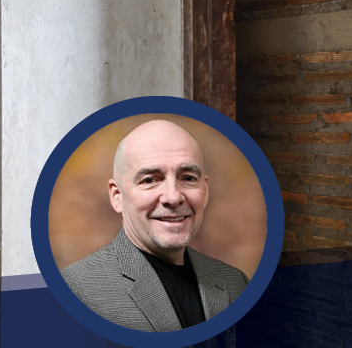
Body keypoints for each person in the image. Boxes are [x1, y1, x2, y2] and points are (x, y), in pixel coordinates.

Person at [60, 119, 249, 332]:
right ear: (117, 196)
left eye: (188, 178)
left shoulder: (235, 283)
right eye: (150, 180)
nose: (173, 197)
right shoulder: (73, 291)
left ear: (205, 191)